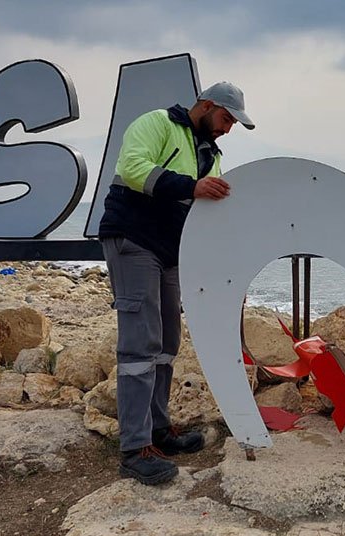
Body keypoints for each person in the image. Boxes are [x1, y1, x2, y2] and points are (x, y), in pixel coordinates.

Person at [99, 82, 255, 485]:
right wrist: (190, 187)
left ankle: (157, 430)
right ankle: (134, 449)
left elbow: (210, 215)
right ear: (206, 105)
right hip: (134, 241)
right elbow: (133, 168)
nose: (227, 129)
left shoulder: (211, 155)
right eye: (225, 119)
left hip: (171, 253)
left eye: (233, 123)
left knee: (168, 341)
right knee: (140, 343)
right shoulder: (156, 124)